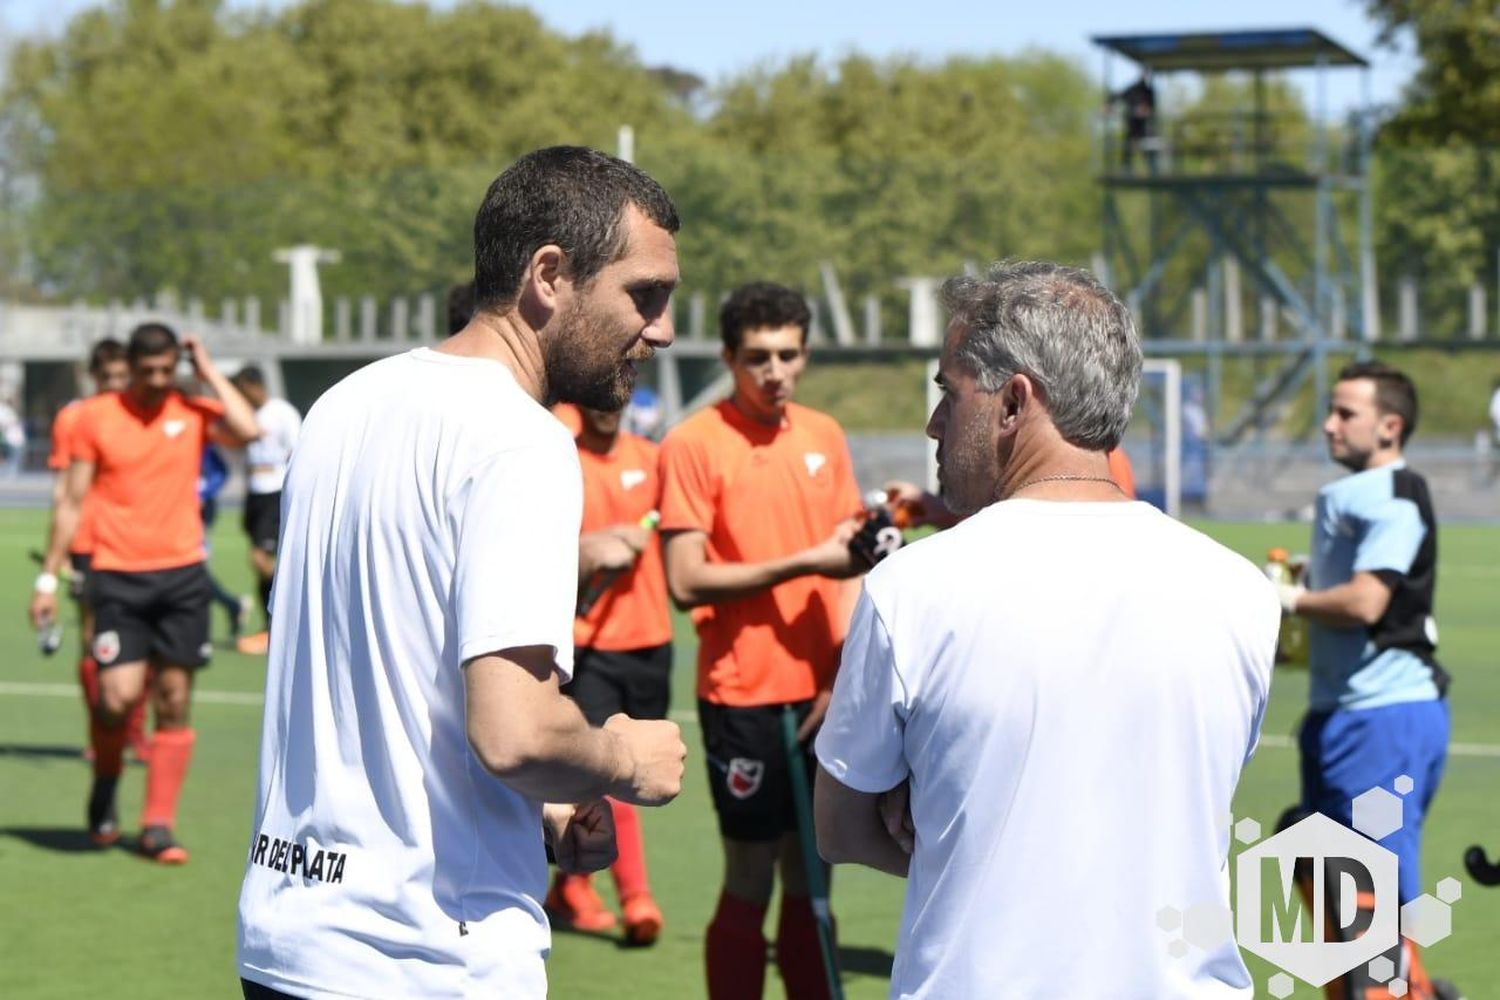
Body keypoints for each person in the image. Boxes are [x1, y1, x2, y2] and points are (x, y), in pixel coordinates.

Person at [236, 146, 687, 1000]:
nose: (662, 328)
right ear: (549, 275)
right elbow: (515, 734)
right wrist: (621, 759)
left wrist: (544, 808)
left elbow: (396, 673)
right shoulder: (521, 442)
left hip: (288, 940)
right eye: (645, 294)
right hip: (423, 959)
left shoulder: (344, 405)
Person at [813, 261, 1278, 997]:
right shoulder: (1242, 591)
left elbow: (839, 828)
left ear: (1014, 402)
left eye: (948, 393)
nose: (935, 422)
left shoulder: (917, 586)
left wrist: (947, 822)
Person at [658, 280, 866, 1000]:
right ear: (728, 357)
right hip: (742, 696)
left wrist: (843, 673)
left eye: (788, 355)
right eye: (756, 358)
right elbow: (685, 579)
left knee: (813, 878)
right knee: (749, 876)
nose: (774, 371)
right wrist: (806, 561)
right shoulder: (692, 443)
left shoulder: (824, 436)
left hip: (822, 695)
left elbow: (851, 569)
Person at [30, 323, 261, 859]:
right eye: (148, 371)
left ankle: (158, 824)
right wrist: (49, 577)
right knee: (115, 699)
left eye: (166, 370)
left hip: (182, 577)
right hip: (117, 577)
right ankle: (106, 781)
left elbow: (247, 429)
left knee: (175, 700)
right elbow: (70, 502)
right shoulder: (95, 418)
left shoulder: (191, 409)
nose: (158, 381)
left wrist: (206, 371)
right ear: (130, 368)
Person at [1275, 361, 1454, 998]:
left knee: (1370, 892)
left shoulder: (1395, 493)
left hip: (1385, 714)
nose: (1329, 425)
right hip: (1343, 712)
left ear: (1389, 425)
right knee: (1325, 869)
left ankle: (1404, 991)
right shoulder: (1356, 492)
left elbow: (1365, 604)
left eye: (1345, 413)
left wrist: (1288, 600)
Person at [546, 402, 673, 945]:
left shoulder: (654, 459)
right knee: (609, 776)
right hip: (587, 646)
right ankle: (636, 898)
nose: (606, 409)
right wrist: (594, 552)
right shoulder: (559, 462)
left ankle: (567, 888)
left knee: (631, 772)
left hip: (651, 643)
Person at [41, 339, 147, 771]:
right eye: (108, 378)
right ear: (94, 377)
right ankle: (102, 729)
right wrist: (58, 550)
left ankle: (135, 730)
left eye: (123, 377)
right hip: (89, 544)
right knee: (93, 639)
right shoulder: (75, 418)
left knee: (147, 647)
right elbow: (64, 488)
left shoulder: (144, 412)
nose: (116, 385)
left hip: (143, 545)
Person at [228, 365, 301, 655]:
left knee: (260, 558)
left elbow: (297, 449)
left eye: (241, 389)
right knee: (257, 561)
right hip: (256, 493)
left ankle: (281, 620)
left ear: (252, 385)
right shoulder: (246, 415)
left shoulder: (281, 412)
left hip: (274, 491)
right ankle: (270, 625)